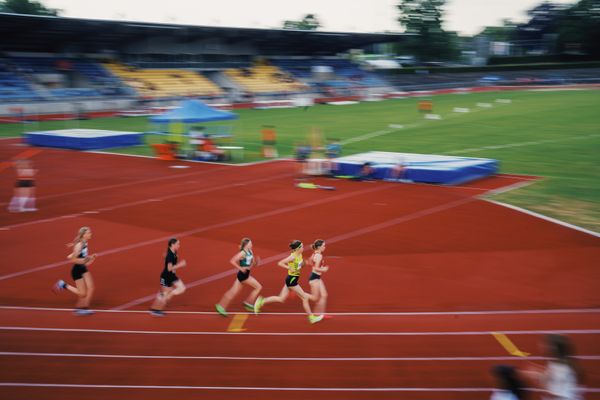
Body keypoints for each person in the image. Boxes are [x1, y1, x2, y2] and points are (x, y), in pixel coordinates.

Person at [254, 240, 323, 324]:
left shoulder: (299, 255)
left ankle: (261, 301)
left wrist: (306, 263)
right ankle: (311, 318)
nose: (303, 248)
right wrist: (289, 268)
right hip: (292, 280)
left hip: (290, 279)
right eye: (302, 246)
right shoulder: (292, 256)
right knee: (304, 297)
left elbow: (298, 265)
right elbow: (280, 263)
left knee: (281, 298)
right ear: (298, 249)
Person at [522, 334, 583, 400]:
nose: (541, 346)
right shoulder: (556, 364)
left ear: (553, 348)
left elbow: (555, 394)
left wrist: (537, 377)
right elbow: (552, 380)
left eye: (545, 344)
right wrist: (538, 374)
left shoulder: (561, 368)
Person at [53, 227, 97, 315]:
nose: (90, 234)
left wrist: (90, 258)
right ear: (84, 235)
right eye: (88, 233)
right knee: (83, 294)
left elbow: (80, 257)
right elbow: (73, 259)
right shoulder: (80, 245)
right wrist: (85, 260)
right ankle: (63, 285)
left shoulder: (85, 243)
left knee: (91, 287)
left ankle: (84, 308)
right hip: (77, 270)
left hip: (83, 268)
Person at [215, 238, 263, 316]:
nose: (252, 245)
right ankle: (248, 303)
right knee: (258, 287)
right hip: (243, 276)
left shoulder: (250, 251)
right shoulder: (242, 253)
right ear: (246, 245)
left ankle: (221, 306)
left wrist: (256, 263)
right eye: (250, 244)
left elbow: (251, 264)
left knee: (233, 292)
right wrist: (241, 268)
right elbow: (232, 260)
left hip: (245, 274)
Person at [149, 238, 187, 316]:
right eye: (178, 244)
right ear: (173, 245)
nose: (179, 246)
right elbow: (169, 268)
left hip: (172, 276)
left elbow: (164, 255)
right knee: (164, 294)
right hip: (166, 277)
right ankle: (155, 310)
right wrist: (180, 265)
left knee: (182, 288)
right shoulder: (170, 255)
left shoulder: (173, 252)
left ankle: (167, 295)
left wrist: (165, 258)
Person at [307, 239, 329, 317]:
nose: (324, 247)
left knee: (324, 295)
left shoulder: (314, 254)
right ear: (319, 247)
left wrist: (314, 265)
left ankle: (320, 314)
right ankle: (299, 293)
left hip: (316, 277)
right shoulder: (319, 255)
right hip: (314, 278)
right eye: (323, 246)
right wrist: (323, 269)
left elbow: (309, 261)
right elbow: (316, 268)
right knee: (315, 298)